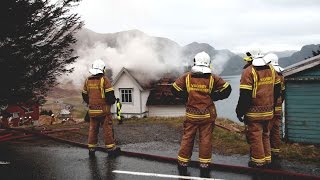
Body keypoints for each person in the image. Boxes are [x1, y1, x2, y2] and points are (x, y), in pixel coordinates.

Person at [171, 51, 231, 177]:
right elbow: (227, 89)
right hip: (207, 116)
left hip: (191, 115)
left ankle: (182, 163)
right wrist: (214, 96)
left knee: (187, 138)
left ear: (195, 62)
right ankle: (204, 165)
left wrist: (186, 96)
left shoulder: (187, 77)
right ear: (208, 63)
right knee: (206, 140)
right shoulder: (213, 78)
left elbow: (174, 88)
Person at [236, 50, 281, 168]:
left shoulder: (248, 72)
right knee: (265, 135)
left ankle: (258, 162)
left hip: (254, 113)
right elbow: (277, 90)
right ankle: (267, 159)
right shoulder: (271, 69)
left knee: (255, 136)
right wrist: (271, 104)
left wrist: (239, 112)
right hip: (269, 111)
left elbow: (245, 95)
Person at [82, 59, 120, 157]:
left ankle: (91, 148)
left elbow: (84, 95)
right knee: (107, 129)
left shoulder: (87, 80)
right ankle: (111, 149)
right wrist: (111, 102)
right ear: (102, 69)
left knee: (93, 129)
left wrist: (91, 103)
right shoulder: (104, 80)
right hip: (104, 111)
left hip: (92, 110)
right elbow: (110, 96)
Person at [265, 53, 285, 168]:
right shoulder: (281, 75)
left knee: (266, 132)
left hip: (270, 108)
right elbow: (283, 93)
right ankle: (275, 151)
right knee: (276, 131)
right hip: (278, 108)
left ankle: (267, 157)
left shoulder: (271, 76)